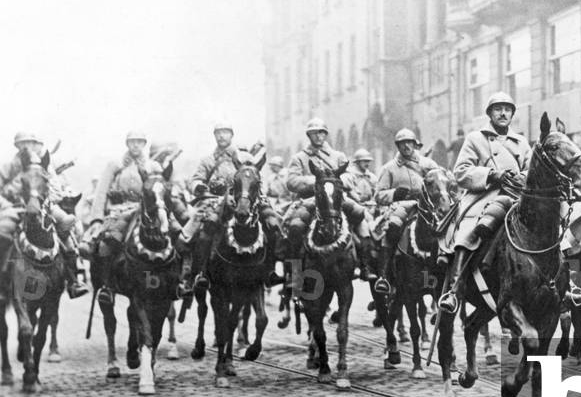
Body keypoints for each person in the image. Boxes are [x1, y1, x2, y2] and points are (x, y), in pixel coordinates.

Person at [439, 92, 530, 314]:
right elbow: (460, 171)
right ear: (489, 113)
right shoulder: (475, 139)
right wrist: (490, 174)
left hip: (517, 195)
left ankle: (565, 282)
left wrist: (523, 177)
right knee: (469, 226)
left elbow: (531, 170)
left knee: (549, 221)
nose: (503, 113)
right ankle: (455, 287)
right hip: (484, 194)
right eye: (498, 109)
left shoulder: (521, 141)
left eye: (507, 109)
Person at [178, 123, 282, 295]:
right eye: (218, 133)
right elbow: (196, 178)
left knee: (273, 224)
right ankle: (200, 273)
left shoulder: (244, 156)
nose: (222, 136)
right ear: (214, 136)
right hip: (215, 200)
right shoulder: (208, 160)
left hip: (248, 198)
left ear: (231, 135)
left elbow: (255, 176)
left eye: (225, 132)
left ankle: (269, 271)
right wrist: (201, 186)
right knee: (206, 228)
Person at [282, 118, 374, 285]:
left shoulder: (338, 156)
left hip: (336, 198)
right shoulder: (300, 158)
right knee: (295, 227)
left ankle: (365, 265)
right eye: (315, 133)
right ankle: (294, 274)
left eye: (322, 132)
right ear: (309, 135)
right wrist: (317, 182)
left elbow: (349, 176)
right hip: (309, 200)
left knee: (362, 218)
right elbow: (291, 181)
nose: (319, 136)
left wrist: (336, 182)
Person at [0, 132, 88, 297]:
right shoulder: (9, 166)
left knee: (67, 225)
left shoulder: (43, 166)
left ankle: (74, 277)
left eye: (30, 143)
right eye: (22, 143)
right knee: (3, 233)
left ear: (34, 145)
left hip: (44, 206)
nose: (26, 146)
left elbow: (56, 189)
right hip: (15, 207)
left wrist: (47, 197)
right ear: (17, 146)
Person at [82, 131, 166, 302]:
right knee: (107, 241)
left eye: (139, 142)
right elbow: (101, 192)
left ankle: (176, 281)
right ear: (127, 144)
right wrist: (97, 219)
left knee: (171, 235)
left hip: (146, 210)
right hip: (120, 210)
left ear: (144, 144)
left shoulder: (153, 166)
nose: (136, 145)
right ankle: (107, 286)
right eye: (132, 142)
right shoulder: (115, 165)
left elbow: (160, 190)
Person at [373, 132, 441, 294]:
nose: (406, 146)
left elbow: (441, 183)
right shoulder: (389, 168)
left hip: (429, 207)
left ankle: (450, 273)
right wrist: (395, 194)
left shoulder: (429, 165)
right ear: (397, 146)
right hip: (402, 206)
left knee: (447, 227)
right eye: (402, 143)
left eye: (409, 142)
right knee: (393, 226)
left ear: (414, 143)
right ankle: (384, 275)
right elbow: (378, 195)